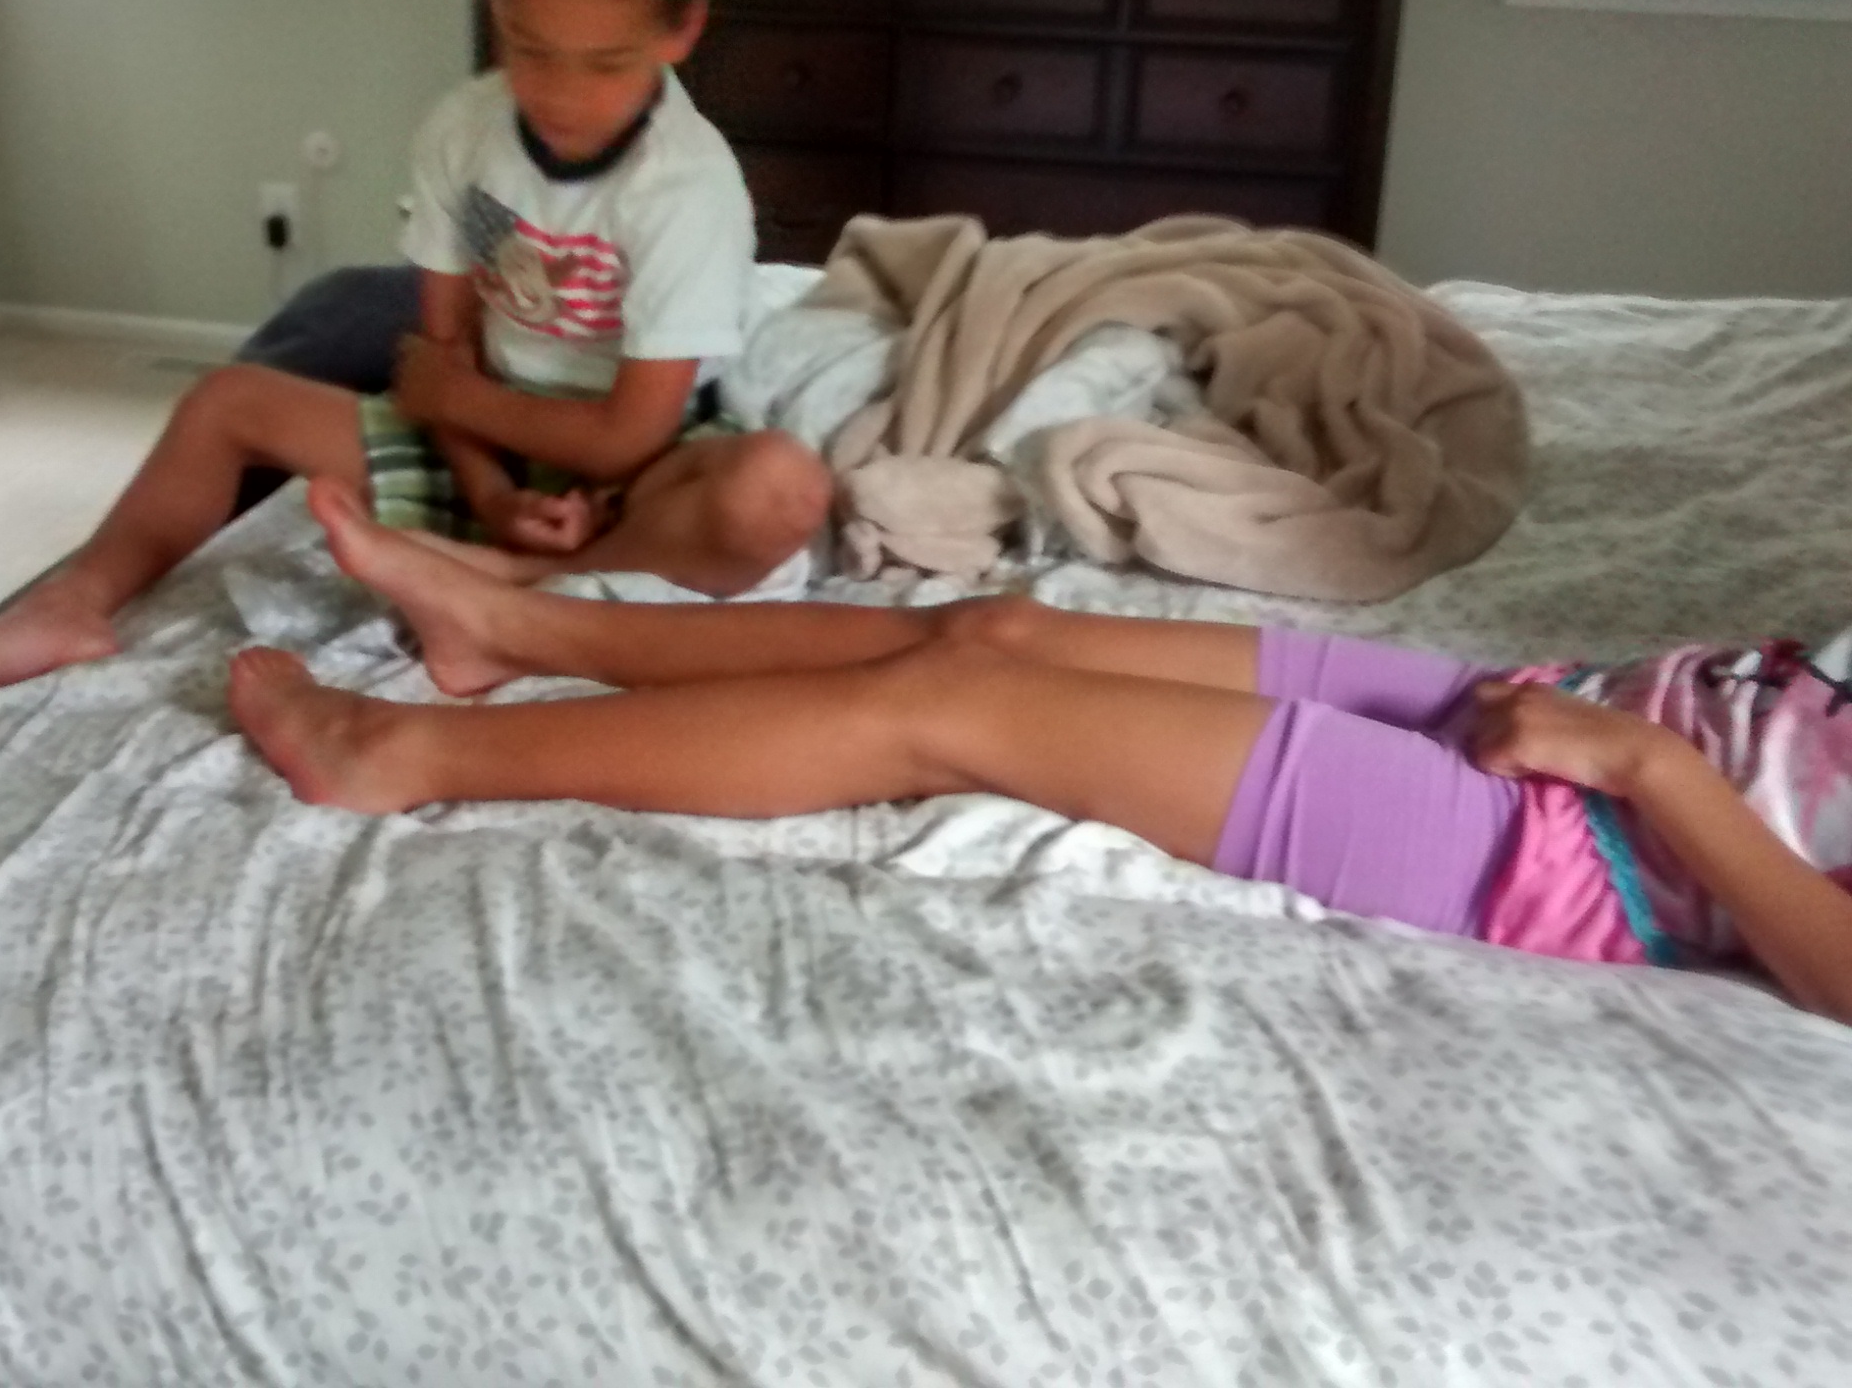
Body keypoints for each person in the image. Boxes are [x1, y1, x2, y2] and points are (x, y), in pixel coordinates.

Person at [228, 481, 1852, 1025]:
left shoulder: (1627, 798)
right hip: (1559, 706)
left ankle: (407, 755)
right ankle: (516, 631)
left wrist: (1646, 770)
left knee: (957, 710)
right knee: (997, 629)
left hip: (1582, 846)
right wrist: (1615, 724)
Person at [0, 0, 830, 718]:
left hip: (642, 474)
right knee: (225, 402)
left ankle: (512, 586)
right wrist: (488, 487)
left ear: (681, 29)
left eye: (606, 64)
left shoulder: (689, 188)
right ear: (493, 5)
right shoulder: (463, 133)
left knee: (779, 489)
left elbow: (627, 436)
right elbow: (442, 345)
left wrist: (458, 401)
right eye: (530, 49)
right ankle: (75, 601)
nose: (562, 95)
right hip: (482, 442)